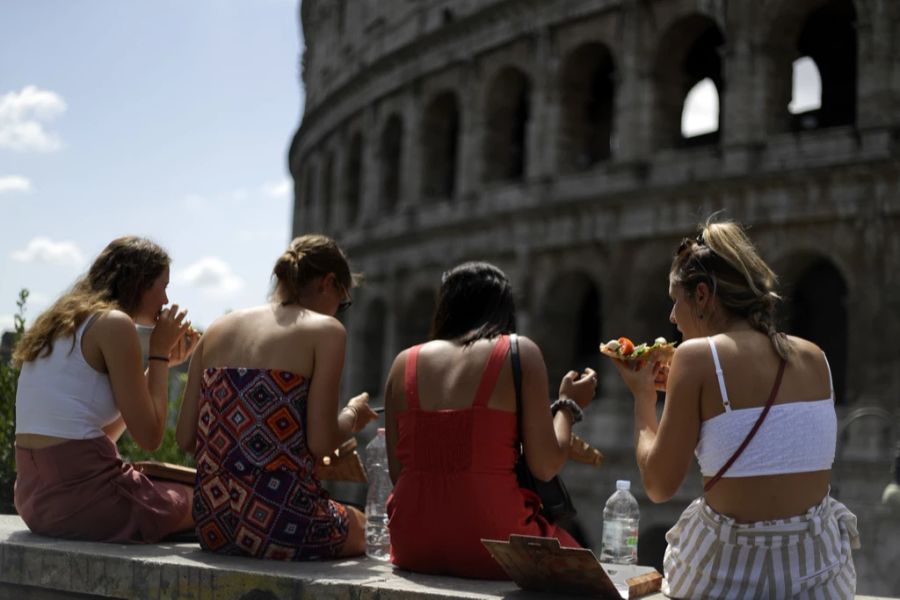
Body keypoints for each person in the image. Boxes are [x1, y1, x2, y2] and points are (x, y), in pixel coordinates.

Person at [612, 218, 859, 598]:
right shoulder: (816, 357)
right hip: (818, 574)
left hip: (729, 574)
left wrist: (644, 399)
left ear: (702, 296)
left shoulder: (695, 358)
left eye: (676, 301)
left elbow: (659, 485)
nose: (672, 318)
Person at [384, 261, 597, 579]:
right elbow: (545, 465)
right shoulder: (519, 352)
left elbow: (397, 472)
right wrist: (568, 405)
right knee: (586, 573)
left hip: (411, 541)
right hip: (498, 543)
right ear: (503, 308)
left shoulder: (403, 363)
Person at [175, 234, 378, 560]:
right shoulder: (325, 331)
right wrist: (353, 414)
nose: (339, 313)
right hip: (282, 524)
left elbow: (186, 438)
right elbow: (321, 442)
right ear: (328, 283)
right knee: (370, 528)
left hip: (214, 525)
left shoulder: (216, 328)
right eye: (343, 302)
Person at [13, 236, 199, 542]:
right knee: (215, 502)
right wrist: (160, 354)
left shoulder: (59, 323)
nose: (166, 300)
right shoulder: (115, 324)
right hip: (87, 502)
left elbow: (97, 435)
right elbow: (151, 437)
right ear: (140, 283)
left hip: (36, 502)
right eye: (163, 286)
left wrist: (153, 368)